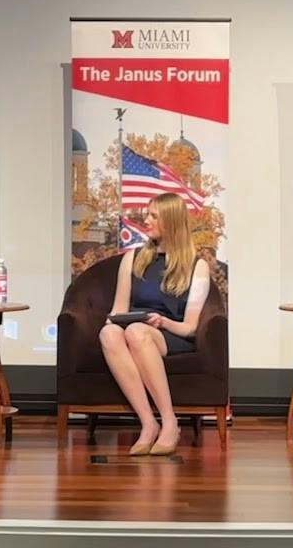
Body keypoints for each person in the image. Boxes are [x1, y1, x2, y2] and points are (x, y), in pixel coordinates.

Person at [98, 192, 214, 456]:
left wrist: (162, 322)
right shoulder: (133, 258)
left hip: (169, 333)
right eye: (147, 214)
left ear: (171, 222)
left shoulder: (197, 267)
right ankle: (148, 424)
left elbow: (191, 327)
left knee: (138, 332)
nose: (146, 220)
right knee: (108, 333)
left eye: (153, 216)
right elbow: (118, 309)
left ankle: (170, 422)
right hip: (133, 328)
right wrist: (113, 322)